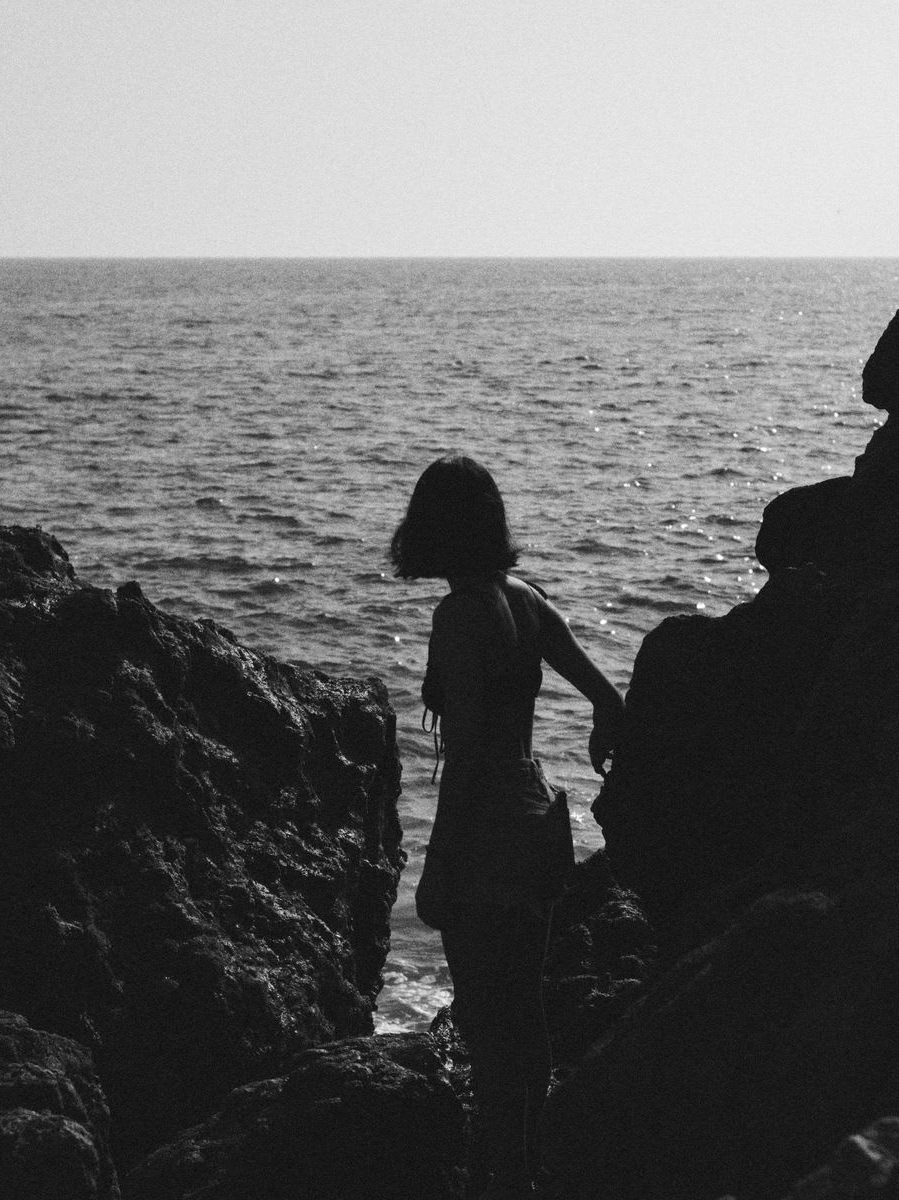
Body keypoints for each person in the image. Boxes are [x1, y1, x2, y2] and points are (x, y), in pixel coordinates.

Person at [391, 454, 622, 1197]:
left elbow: (462, 763)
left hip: (488, 840)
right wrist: (601, 736)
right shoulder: (525, 598)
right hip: (540, 827)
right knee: (527, 1020)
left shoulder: (458, 617)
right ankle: (527, 1171)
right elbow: (605, 694)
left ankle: (496, 1182)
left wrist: (434, 871)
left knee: (490, 1032)